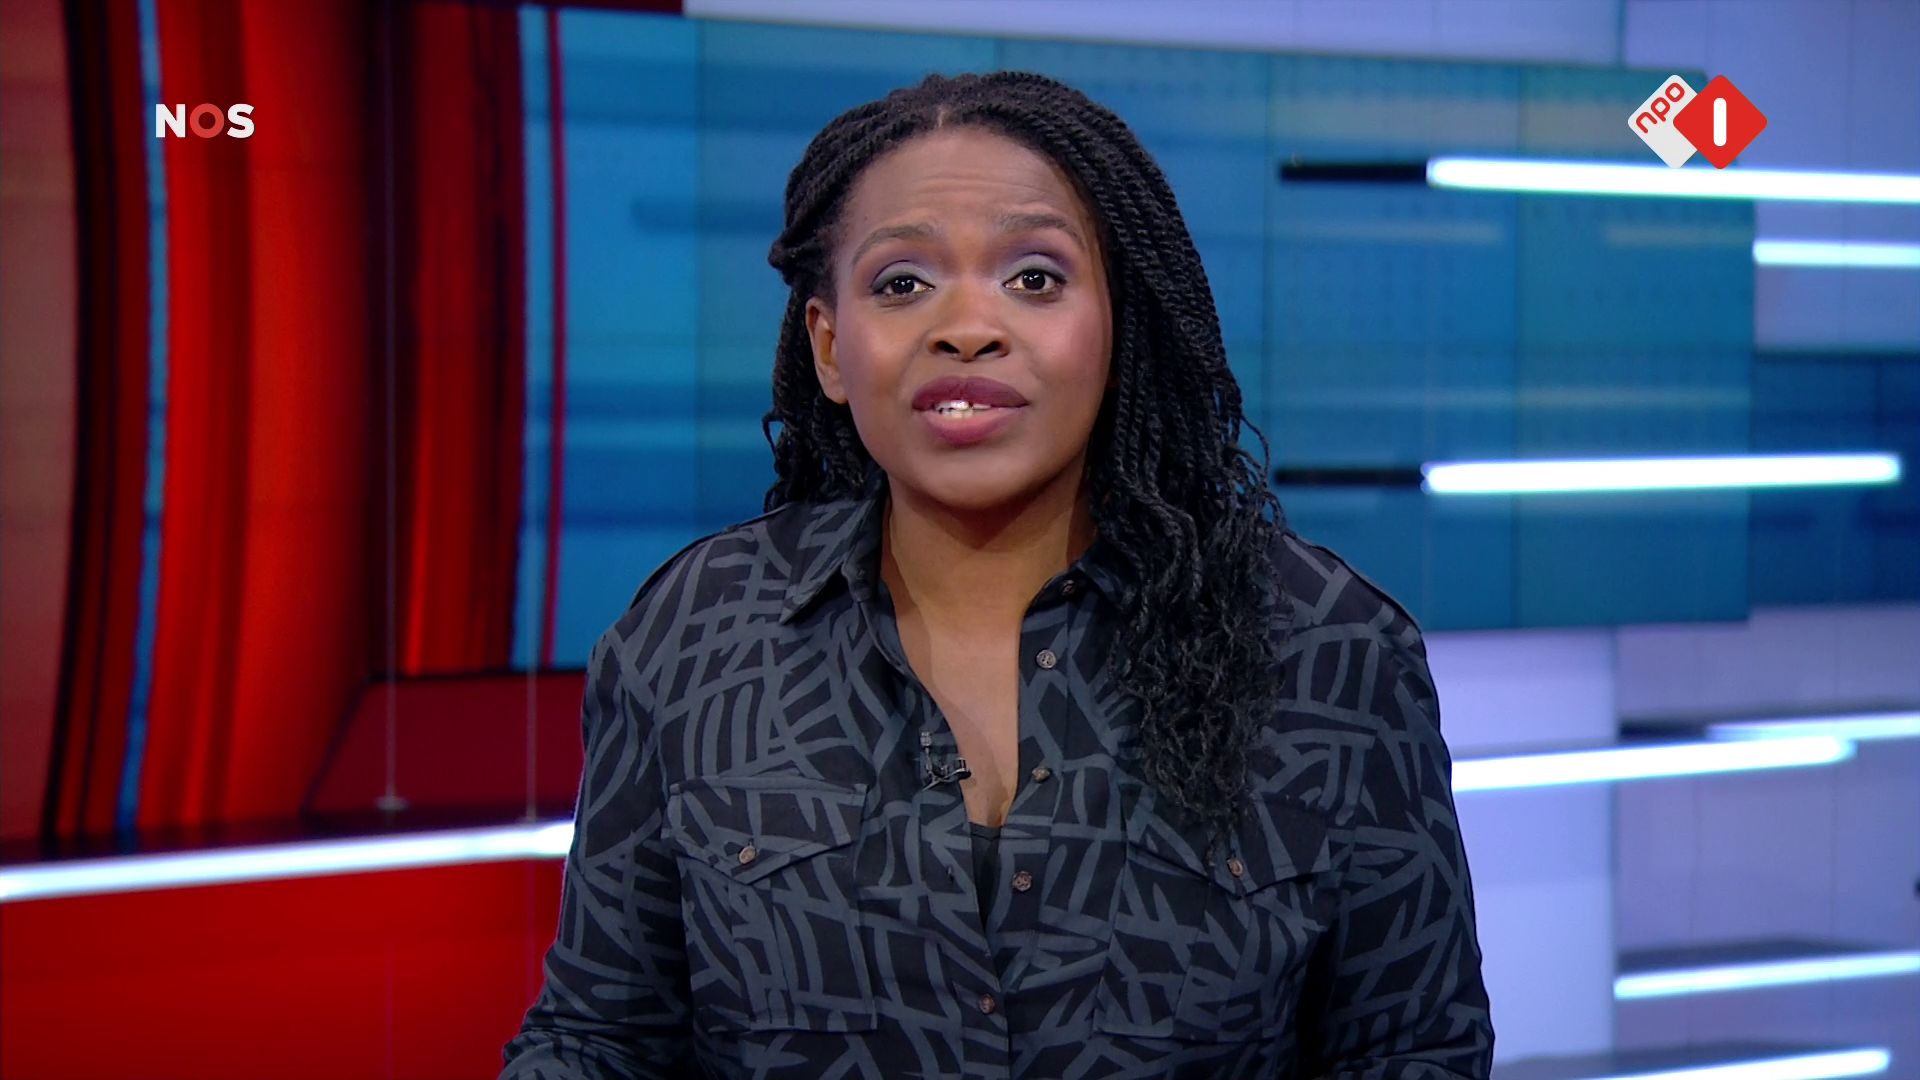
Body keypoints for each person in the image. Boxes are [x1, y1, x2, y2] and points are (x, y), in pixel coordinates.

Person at [501, 70, 1494, 1080]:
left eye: (1034, 279)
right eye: (902, 284)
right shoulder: (693, 638)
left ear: (1118, 325)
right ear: (830, 347)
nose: (968, 327)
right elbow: (599, 1038)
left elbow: (1414, 1052)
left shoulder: (1329, 650)